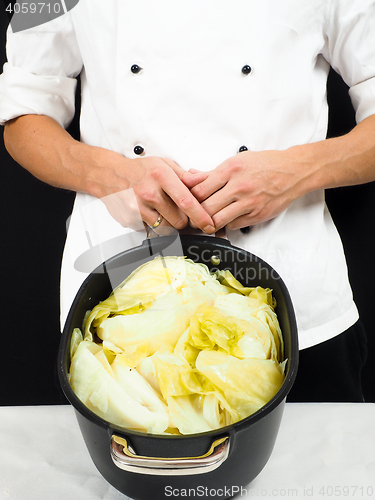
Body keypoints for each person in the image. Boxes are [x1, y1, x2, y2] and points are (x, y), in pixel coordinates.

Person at [0, 0, 373, 402]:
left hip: (296, 299)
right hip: (122, 315)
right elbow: (24, 112)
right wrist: (111, 176)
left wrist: (292, 171)